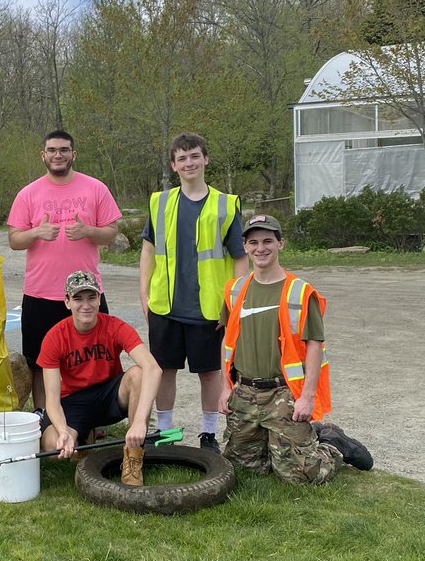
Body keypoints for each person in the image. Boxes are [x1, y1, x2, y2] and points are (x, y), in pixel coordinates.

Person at [218, 214, 373, 483]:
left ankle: (331, 444)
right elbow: (227, 342)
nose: (260, 248)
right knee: (244, 468)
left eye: (268, 241)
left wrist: (307, 397)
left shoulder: (300, 292)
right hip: (244, 392)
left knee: (300, 476)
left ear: (281, 244)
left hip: (283, 394)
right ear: (244, 247)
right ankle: (276, 443)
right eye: (253, 242)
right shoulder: (235, 289)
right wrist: (225, 388)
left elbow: (314, 344)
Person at [139, 132, 247, 452]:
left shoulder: (225, 205)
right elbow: (147, 250)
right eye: (182, 158)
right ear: (174, 165)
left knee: (209, 373)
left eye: (195, 156)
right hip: (165, 305)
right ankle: (165, 430)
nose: (189, 163)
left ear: (206, 160)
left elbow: (240, 258)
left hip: (209, 309)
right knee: (164, 370)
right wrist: (144, 295)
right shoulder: (160, 202)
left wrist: (234, 303)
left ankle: (208, 433)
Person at [8, 130, 121, 405]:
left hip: (86, 293)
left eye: (64, 150)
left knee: (93, 359)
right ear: (43, 155)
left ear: (73, 154)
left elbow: (111, 232)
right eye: (52, 150)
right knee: (39, 362)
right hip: (40, 293)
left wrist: (88, 231)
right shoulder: (28, 193)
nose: (58, 155)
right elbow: (14, 240)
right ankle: (44, 416)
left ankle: (92, 417)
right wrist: (36, 233)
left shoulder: (96, 188)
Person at [37, 271, 161, 483]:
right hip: (74, 400)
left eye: (91, 298)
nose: (86, 305)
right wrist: (62, 430)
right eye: (78, 298)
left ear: (99, 299)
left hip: (108, 394)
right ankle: (82, 435)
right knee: (52, 447)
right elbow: (52, 399)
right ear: (67, 302)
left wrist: (140, 422)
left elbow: (153, 369)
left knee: (138, 374)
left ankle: (133, 456)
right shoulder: (54, 337)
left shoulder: (115, 326)